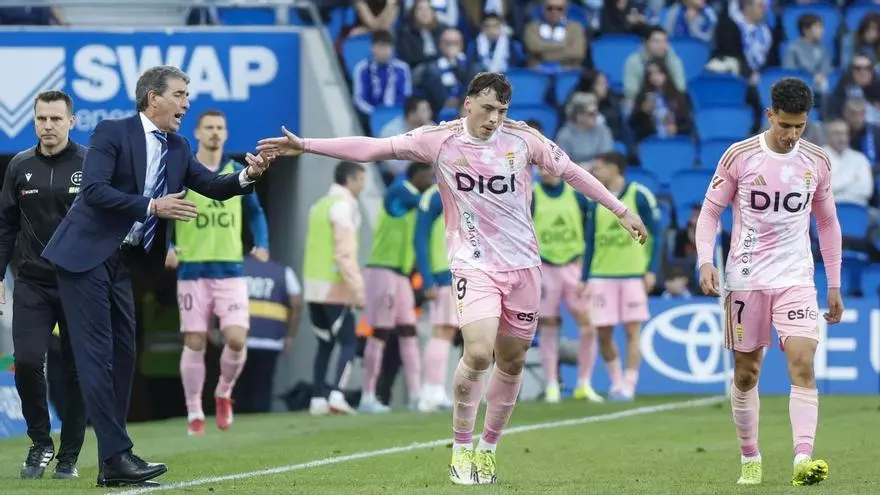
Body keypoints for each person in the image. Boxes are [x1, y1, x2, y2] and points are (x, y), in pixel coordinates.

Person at [256, 71, 647, 485]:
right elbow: (374, 148)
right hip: (473, 264)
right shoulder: (439, 140)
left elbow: (572, 173)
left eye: (502, 110)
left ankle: (489, 448)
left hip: (524, 267)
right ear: (468, 103)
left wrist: (620, 210)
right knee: (478, 353)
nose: (494, 118)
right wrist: (307, 145)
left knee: (511, 361)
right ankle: (461, 448)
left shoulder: (523, 140)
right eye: (488, 108)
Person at [40, 65, 275, 487]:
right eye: (180, 94)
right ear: (154, 98)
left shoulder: (180, 147)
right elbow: (93, 191)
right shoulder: (113, 132)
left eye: (187, 95)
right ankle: (116, 458)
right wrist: (151, 207)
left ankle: (114, 460)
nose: (187, 103)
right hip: (84, 256)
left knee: (126, 355)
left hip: (123, 262)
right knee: (97, 355)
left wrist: (247, 176)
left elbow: (213, 186)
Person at [695, 77, 843, 487]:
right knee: (747, 373)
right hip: (745, 277)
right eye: (786, 125)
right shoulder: (739, 156)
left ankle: (802, 459)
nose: (793, 135)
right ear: (770, 115)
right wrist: (705, 261)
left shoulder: (817, 162)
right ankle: (750, 458)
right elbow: (709, 214)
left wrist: (834, 282)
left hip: (795, 276)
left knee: (802, 362)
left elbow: (827, 222)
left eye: (800, 126)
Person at [163, 109, 270, 436]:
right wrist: (166, 246)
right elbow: (163, 210)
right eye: (208, 127)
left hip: (230, 269)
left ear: (225, 134)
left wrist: (262, 242)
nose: (213, 133)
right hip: (193, 270)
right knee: (194, 340)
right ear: (197, 132)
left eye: (219, 128)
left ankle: (223, 392)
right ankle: (195, 409)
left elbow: (255, 212)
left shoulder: (236, 171)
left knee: (236, 338)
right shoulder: (183, 172)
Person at [0, 90, 87, 479]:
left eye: (55, 118)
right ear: (33, 121)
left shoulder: (91, 163)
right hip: (33, 283)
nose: (47, 125)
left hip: (78, 283)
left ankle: (68, 455)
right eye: (41, 119)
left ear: (71, 121)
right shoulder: (19, 166)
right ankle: (40, 443)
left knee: (76, 370)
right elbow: (6, 224)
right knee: (29, 362)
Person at [583, 151, 661, 401]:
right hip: (601, 275)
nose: (596, 173)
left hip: (631, 274)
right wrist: (584, 277)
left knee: (632, 331)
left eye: (600, 168)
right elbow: (590, 241)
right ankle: (616, 381)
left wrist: (652, 270)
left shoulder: (639, 194)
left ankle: (630, 383)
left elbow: (657, 235)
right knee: (603, 332)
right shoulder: (596, 199)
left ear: (615, 168)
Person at [359, 161, 434, 413]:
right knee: (380, 333)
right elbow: (421, 203)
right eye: (428, 176)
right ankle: (367, 396)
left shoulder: (416, 201)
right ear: (416, 176)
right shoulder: (398, 192)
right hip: (382, 270)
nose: (431, 181)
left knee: (408, 333)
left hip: (401, 276)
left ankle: (415, 396)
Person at [530, 166, 603, 404]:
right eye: (539, 168)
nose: (544, 172)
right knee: (549, 325)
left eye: (547, 167)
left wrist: (587, 268)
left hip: (573, 266)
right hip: (545, 267)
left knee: (588, 324)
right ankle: (552, 384)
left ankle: (584, 382)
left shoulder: (576, 195)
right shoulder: (532, 195)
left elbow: (590, 231)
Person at [303, 161, 366, 416]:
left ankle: (317, 398)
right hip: (334, 287)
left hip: (313, 286)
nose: (363, 186)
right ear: (350, 180)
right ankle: (338, 394)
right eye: (361, 180)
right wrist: (358, 290)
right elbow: (344, 254)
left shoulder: (318, 205)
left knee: (325, 343)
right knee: (349, 341)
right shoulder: (343, 207)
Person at [234, 253, 302, 414]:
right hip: (271, 340)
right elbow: (297, 304)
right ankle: (260, 420)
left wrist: (216, 328)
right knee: (263, 386)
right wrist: (290, 335)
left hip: (239, 338)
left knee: (238, 386)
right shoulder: (284, 272)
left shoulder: (236, 269)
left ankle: (235, 421)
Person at [413, 182, 458, 412]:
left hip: (456, 271)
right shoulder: (435, 195)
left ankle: (431, 390)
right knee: (443, 331)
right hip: (445, 272)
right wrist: (428, 279)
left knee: (445, 331)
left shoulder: (451, 189)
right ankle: (433, 390)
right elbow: (419, 240)